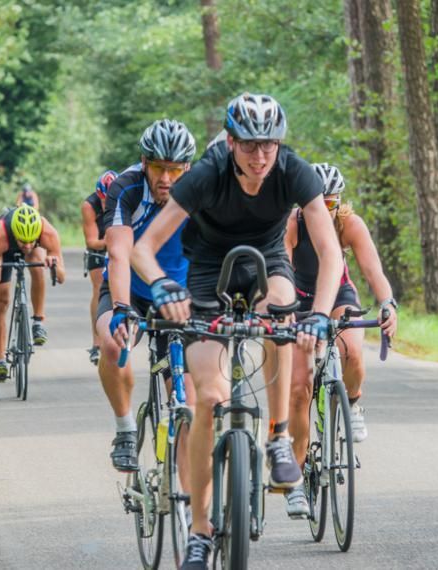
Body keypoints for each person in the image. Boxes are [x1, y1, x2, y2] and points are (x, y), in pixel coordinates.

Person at [131, 93, 344, 569]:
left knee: (285, 307)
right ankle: (201, 533)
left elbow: (331, 252)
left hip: (268, 260)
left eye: (269, 143)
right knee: (209, 398)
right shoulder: (207, 174)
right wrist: (164, 286)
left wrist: (322, 314)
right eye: (249, 144)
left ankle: (278, 436)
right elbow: (143, 248)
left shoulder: (293, 171)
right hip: (207, 270)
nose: (260, 155)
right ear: (230, 142)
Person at [282, 162, 398, 518]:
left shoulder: (349, 223)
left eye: (332, 203)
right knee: (299, 387)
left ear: (339, 202)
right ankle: (296, 481)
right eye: (319, 202)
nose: (326, 210)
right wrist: (283, 311)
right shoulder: (292, 223)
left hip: (337, 295)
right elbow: (281, 266)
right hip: (299, 298)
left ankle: (353, 402)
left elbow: (371, 268)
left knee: (351, 349)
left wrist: (387, 302)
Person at [97, 119, 197, 472]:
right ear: (144, 162)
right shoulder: (126, 188)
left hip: (179, 294)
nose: (165, 178)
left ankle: (185, 499)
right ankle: (125, 430)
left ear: (187, 167)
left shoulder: (201, 191)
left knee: (190, 399)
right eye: (157, 167)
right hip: (132, 290)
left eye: (174, 169)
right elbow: (119, 253)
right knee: (112, 343)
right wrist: (122, 308)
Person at [0, 204, 66, 381]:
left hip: (36, 248)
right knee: (0, 300)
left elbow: (61, 277)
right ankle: (0, 361)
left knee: (37, 265)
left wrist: (53, 264)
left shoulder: (48, 233)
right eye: (23, 241)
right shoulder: (0, 233)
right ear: (15, 234)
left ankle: (38, 321)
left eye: (31, 240)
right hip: (5, 251)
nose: (27, 245)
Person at [81, 170, 118, 365]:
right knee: (99, 288)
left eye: (109, 200)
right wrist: (110, 241)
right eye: (103, 200)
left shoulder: (126, 197)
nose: (106, 205)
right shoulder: (89, 205)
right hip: (99, 245)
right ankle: (96, 342)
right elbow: (92, 241)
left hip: (117, 241)